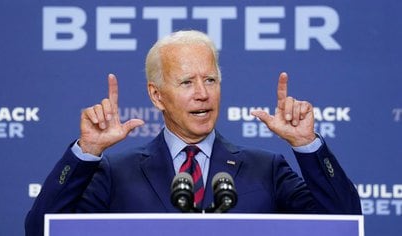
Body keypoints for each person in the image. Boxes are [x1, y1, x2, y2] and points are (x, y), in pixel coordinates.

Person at [25, 30, 361, 235]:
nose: (203, 93)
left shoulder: (267, 169)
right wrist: (86, 151)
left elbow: (346, 224)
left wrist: (306, 146)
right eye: (187, 82)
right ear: (157, 95)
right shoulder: (116, 173)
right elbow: (42, 230)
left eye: (210, 80)